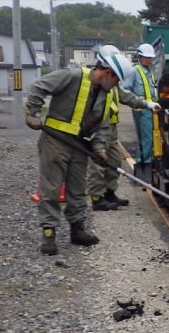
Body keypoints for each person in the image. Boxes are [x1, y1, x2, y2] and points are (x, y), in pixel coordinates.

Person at [25, 49, 136, 255]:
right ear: (108, 73)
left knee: (77, 190)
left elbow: (101, 125)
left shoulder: (106, 93)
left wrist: (99, 149)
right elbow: (39, 86)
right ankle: (49, 234)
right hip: (55, 140)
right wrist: (32, 112)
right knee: (51, 188)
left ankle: (78, 229)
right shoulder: (73, 76)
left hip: (79, 145)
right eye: (116, 81)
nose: (116, 86)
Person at [86, 45, 161, 211]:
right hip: (98, 126)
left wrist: (145, 103)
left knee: (114, 160)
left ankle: (110, 193)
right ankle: (97, 198)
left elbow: (125, 96)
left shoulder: (112, 83)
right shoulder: (94, 83)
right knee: (99, 162)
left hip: (111, 127)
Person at [129, 43, 160, 181]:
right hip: (142, 110)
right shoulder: (134, 71)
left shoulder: (150, 72)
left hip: (152, 110)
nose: (149, 60)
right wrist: (134, 104)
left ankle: (147, 165)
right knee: (145, 140)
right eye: (146, 57)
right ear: (139, 57)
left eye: (150, 58)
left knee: (153, 138)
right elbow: (125, 89)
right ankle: (143, 167)